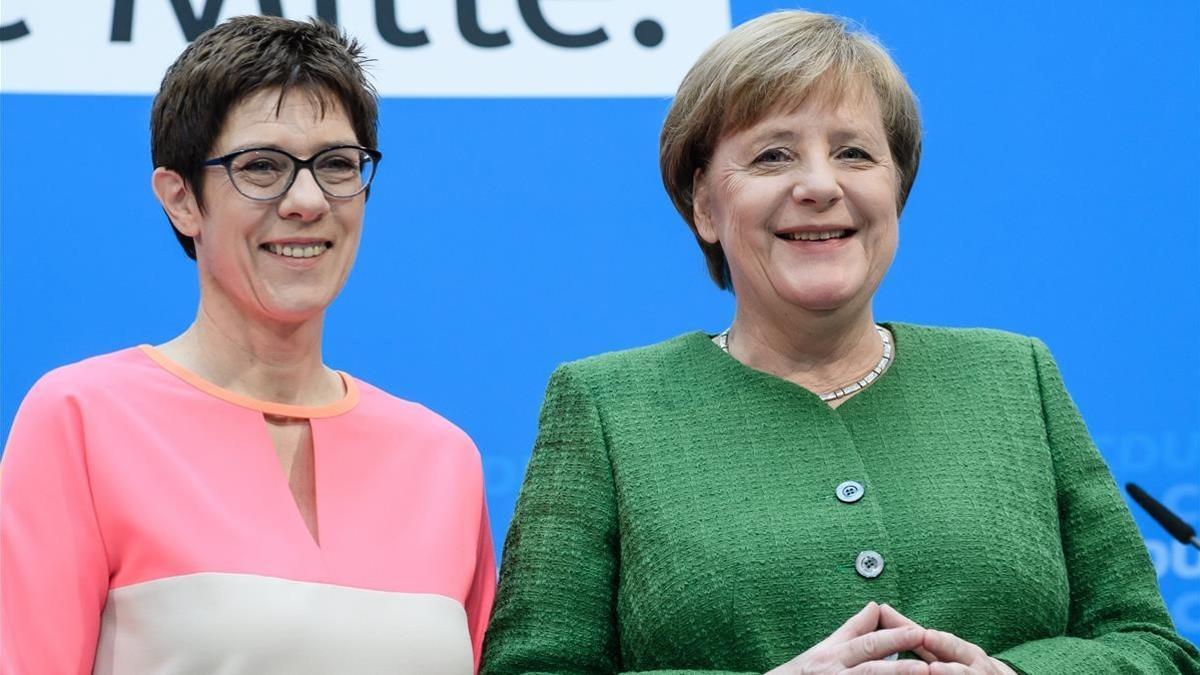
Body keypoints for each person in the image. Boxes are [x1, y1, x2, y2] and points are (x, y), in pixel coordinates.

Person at [480, 10, 1199, 675]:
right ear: (704, 203)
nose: (820, 184)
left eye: (855, 152)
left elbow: (1151, 645)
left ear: (896, 186)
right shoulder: (605, 404)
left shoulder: (1018, 376)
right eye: (772, 157)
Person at [0, 16, 494, 674]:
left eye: (338, 165)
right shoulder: (81, 419)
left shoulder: (444, 460)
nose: (308, 199)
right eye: (262, 166)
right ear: (181, 199)